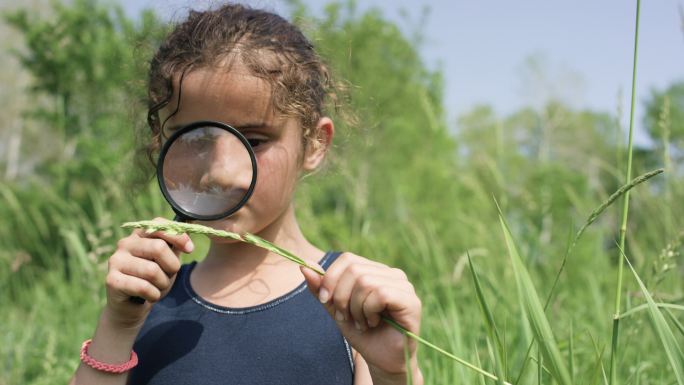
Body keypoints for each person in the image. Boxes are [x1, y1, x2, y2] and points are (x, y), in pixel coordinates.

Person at [70, 3, 423, 385]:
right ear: (163, 144)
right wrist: (118, 326)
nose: (222, 171)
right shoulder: (146, 303)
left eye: (253, 141)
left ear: (315, 143)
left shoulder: (351, 303)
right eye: (198, 139)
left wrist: (396, 371)